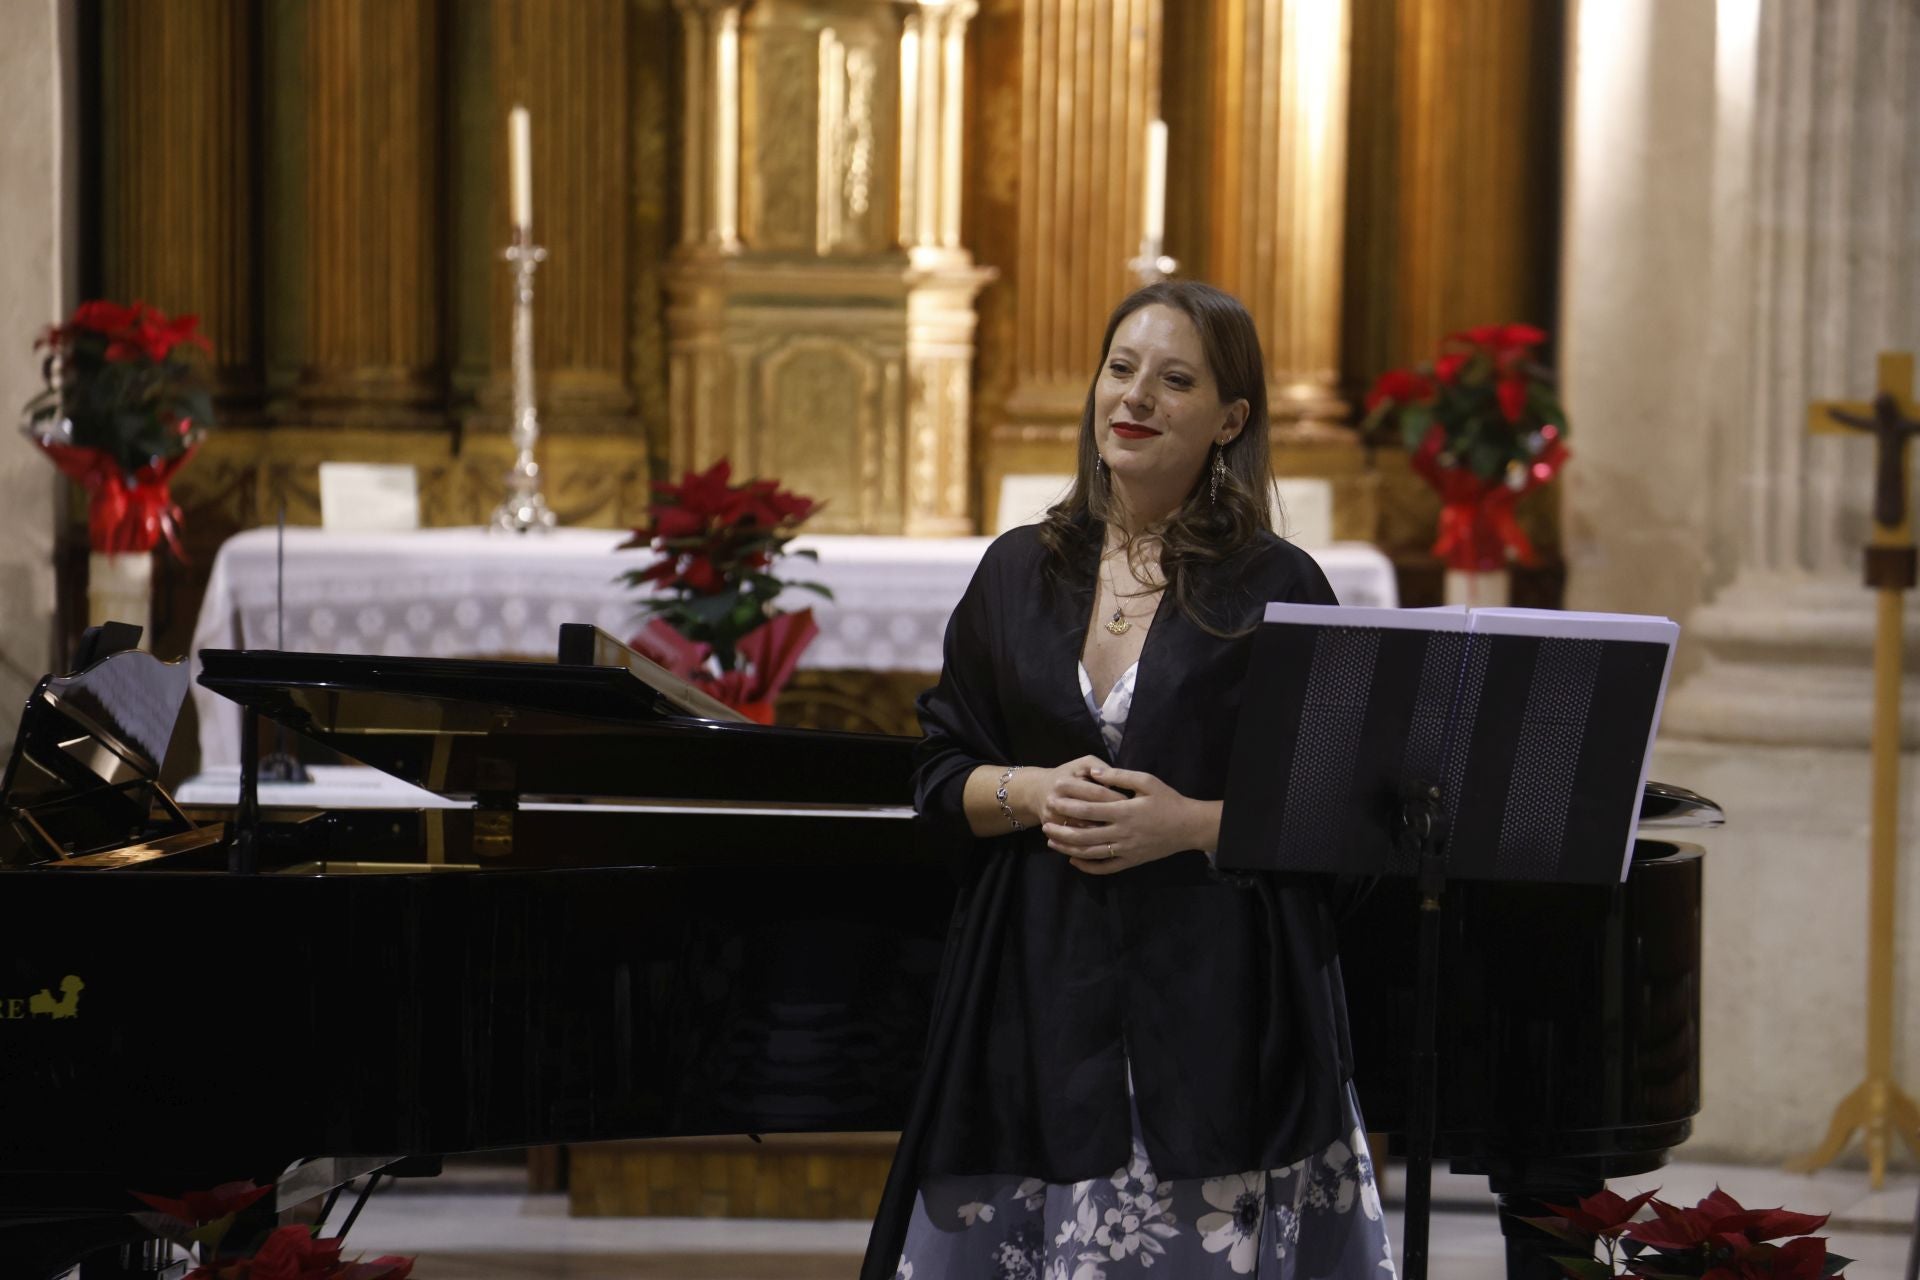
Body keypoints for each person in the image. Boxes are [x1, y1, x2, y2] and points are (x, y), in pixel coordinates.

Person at [860, 281, 1393, 1280]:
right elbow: (938, 772)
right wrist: (1028, 791)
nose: (1136, 396)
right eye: (1121, 368)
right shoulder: (1016, 571)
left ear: (1230, 420)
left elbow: (1346, 812)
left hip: (1212, 1004)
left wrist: (1192, 823)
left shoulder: (1279, 585)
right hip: (1035, 993)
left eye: (1176, 379)